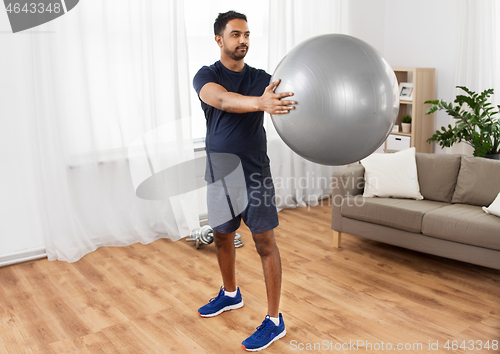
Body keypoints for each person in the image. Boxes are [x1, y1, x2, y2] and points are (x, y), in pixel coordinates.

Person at [192, 10, 295, 352]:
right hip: (220, 175)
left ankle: (274, 320)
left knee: (265, 244)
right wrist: (259, 103)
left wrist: (277, 101)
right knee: (222, 237)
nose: (244, 41)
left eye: (247, 34)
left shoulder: (263, 79)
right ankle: (231, 294)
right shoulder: (207, 75)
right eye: (236, 34)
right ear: (219, 39)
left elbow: (289, 98)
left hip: (254, 175)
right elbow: (219, 99)